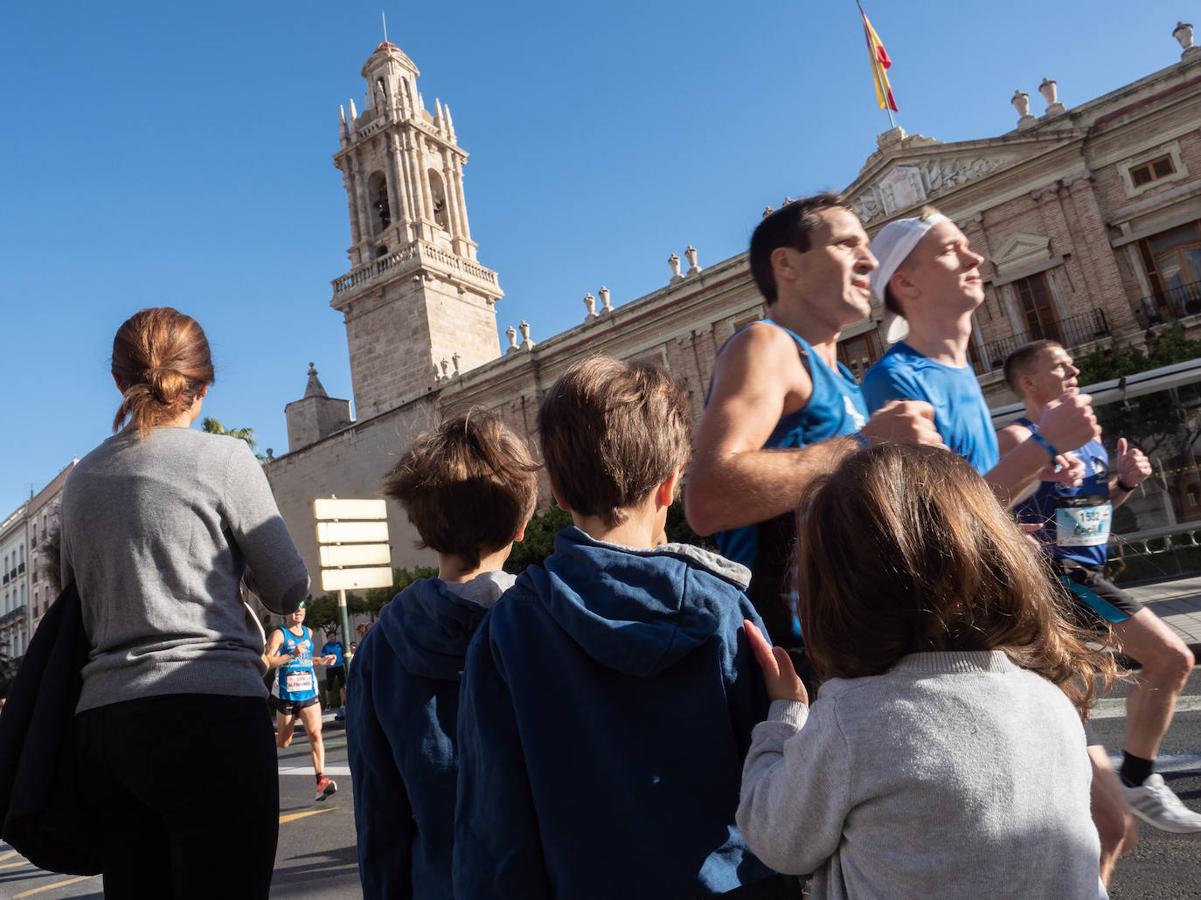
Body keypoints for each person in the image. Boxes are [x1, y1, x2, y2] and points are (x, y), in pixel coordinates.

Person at [455, 357, 790, 899]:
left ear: (558, 493)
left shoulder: (508, 629)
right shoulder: (727, 611)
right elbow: (774, 792)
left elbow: (494, 824)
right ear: (669, 486)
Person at [736, 443, 1114, 899]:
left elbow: (778, 839)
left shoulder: (853, 719)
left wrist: (783, 715)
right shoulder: (1049, 699)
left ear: (833, 591)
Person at [63, 307, 309, 898]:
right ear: (201, 386)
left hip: (107, 724)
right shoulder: (225, 459)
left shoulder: (81, 480)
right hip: (212, 709)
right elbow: (289, 586)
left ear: (121, 383)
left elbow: (80, 602)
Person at [687, 194, 942, 664]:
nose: (869, 260)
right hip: (790, 654)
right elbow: (708, 496)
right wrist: (866, 443)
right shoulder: (767, 345)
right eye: (847, 245)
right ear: (787, 265)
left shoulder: (844, 377)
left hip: (855, 640)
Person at [1004, 340, 1201, 839]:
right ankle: (1135, 780)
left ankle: (1080, 807)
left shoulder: (1089, 442)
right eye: (1059, 365)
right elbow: (987, 506)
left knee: (1062, 702)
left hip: (1085, 574)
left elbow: (1087, 513)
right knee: (1171, 658)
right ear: (1029, 382)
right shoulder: (1017, 437)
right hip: (1057, 577)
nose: (1074, 368)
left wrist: (1125, 485)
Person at [346, 414, 538, 899]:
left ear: (423, 527)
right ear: (521, 525)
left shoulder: (378, 648)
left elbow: (378, 812)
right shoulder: (546, 625)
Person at [861, 208, 1098, 505]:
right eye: (950, 249)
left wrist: (1034, 469)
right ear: (906, 283)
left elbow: (979, 493)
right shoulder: (893, 380)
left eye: (967, 246)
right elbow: (945, 519)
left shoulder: (957, 369)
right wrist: (1045, 445)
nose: (975, 259)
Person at [264, 604, 338, 802]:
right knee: (283, 742)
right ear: (285, 612)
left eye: (302, 608)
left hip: (308, 693)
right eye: (294, 608)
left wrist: (321, 661)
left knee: (315, 734)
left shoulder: (309, 632)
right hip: (286, 696)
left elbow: (305, 659)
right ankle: (257, 743)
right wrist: (291, 655)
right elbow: (267, 661)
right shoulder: (279, 635)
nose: (299, 611)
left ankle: (321, 781)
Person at [320, 629, 346, 719]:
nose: (332, 638)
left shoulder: (339, 645)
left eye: (333, 636)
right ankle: (328, 704)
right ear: (327, 638)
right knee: (329, 687)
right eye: (330, 637)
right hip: (330, 668)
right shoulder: (325, 647)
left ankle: (342, 704)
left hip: (339, 667)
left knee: (342, 685)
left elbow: (344, 654)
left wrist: (344, 665)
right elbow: (322, 657)